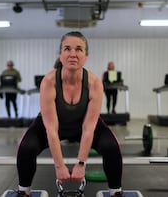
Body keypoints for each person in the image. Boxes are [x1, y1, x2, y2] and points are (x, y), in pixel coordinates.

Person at [14, 32, 124, 197]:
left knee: (112, 146)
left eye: (79, 49)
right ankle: (24, 192)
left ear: (86, 56)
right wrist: (59, 166)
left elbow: (88, 128)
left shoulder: (94, 83)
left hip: (84, 126)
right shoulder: (49, 82)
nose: (73, 54)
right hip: (52, 126)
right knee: (26, 147)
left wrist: (81, 163)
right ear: (61, 54)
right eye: (67, 49)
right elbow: (51, 129)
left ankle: (116, 192)